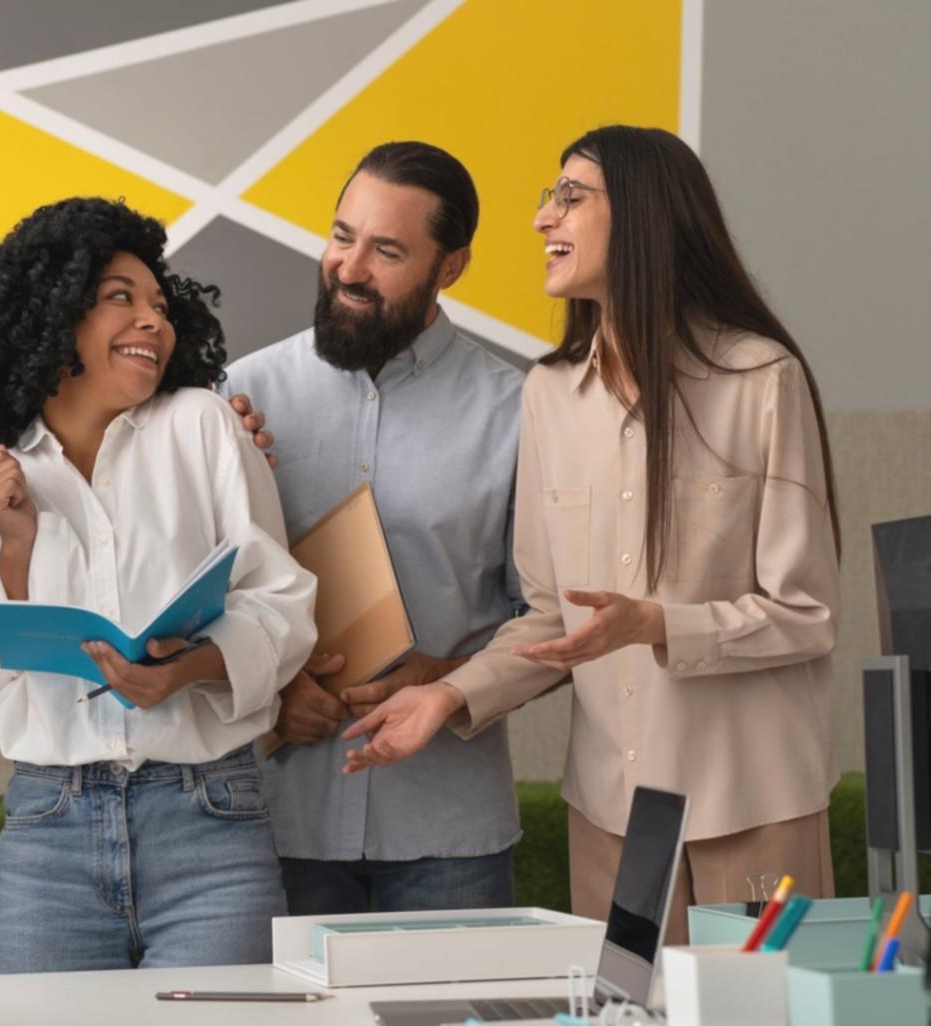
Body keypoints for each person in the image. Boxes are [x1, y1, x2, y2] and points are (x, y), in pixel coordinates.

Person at [344, 125, 841, 942]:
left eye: (570, 196)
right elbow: (548, 615)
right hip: (612, 815)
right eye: (549, 197)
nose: (544, 218)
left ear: (647, 215)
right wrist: (447, 695)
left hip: (756, 807)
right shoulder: (548, 394)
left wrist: (655, 624)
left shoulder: (760, 379)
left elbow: (807, 611)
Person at [0, 197, 317, 972]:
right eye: (120, 299)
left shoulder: (202, 425)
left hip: (212, 824)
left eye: (161, 306)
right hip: (49, 833)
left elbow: (283, 603)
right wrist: (15, 551)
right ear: (53, 312)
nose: (153, 323)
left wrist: (186, 669)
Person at [220, 141, 526, 915]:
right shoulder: (237, 395)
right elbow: (193, 592)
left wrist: (448, 681)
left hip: (448, 833)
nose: (349, 267)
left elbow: (548, 618)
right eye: (342, 235)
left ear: (449, 267)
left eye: (387, 250)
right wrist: (271, 692)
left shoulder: (517, 411)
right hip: (274, 824)